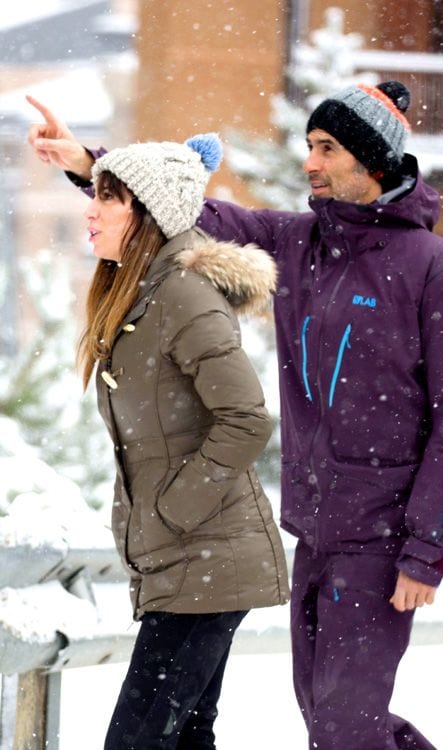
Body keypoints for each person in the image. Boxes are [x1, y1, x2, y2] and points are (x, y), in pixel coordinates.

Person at [27, 81, 443, 750]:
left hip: (382, 539)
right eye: (308, 146)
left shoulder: (438, 272)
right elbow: (183, 211)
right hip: (313, 529)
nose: (309, 162)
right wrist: (88, 164)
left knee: (344, 725)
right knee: (325, 719)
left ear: (374, 161)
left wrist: (424, 550)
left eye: (327, 148)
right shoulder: (301, 241)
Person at [28, 122, 290, 749]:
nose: (89, 211)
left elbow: (247, 417)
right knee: (186, 738)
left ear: (148, 215)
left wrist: (172, 511)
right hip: (187, 563)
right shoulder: (145, 292)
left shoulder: (184, 296)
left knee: (138, 741)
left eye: (107, 198)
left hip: (206, 561)